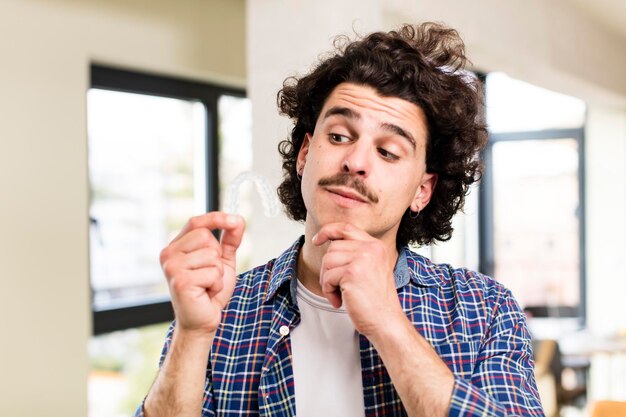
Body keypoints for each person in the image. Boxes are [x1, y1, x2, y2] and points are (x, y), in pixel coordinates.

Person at [136, 22, 544, 417]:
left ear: (423, 189)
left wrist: (387, 322)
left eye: (388, 151)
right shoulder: (224, 309)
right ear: (304, 155)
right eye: (339, 136)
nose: (355, 161)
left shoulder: (485, 310)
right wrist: (192, 336)